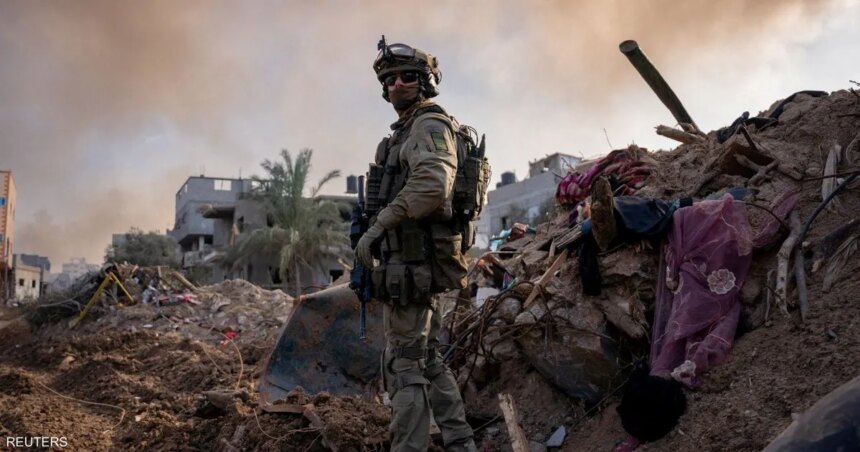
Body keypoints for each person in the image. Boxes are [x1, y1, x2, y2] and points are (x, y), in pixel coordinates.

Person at [354, 37, 477, 452]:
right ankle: (461, 442)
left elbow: (433, 184)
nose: (396, 85)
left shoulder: (429, 125)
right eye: (389, 80)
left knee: (404, 366)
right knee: (427, 360)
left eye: (407, 77)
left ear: (426, 82)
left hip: (413, 266)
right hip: (411, 266)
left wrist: (379, 226)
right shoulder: (407, 130)